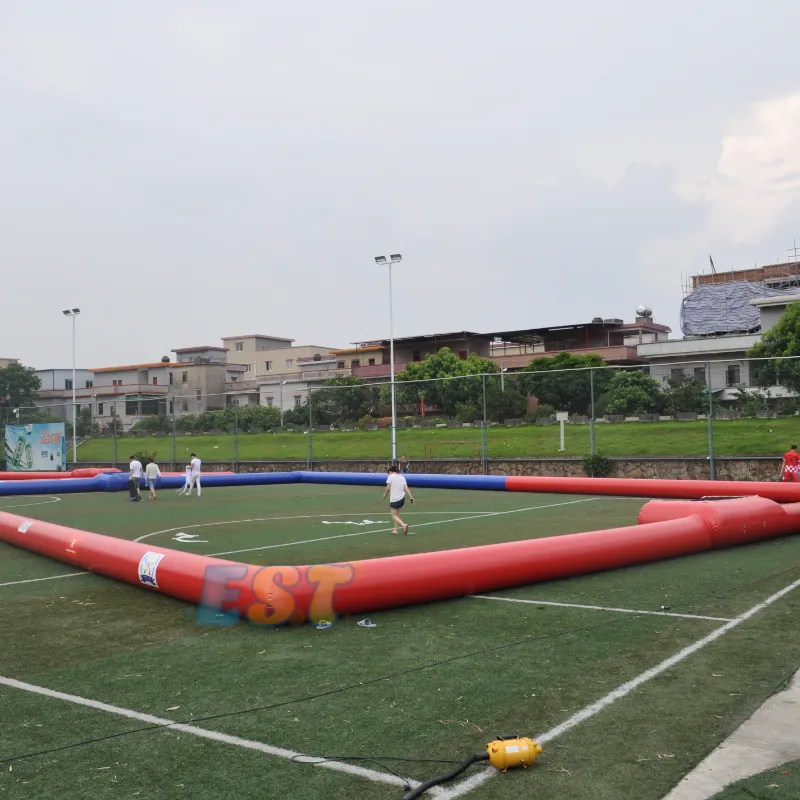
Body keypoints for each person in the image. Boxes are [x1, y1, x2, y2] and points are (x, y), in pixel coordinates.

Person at [382, 464, 414, 535]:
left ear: (390, 471)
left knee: (394, 515)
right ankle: (395, 530)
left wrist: (385, 495)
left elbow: (388, 488)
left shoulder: (390, 477)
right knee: (397, 515)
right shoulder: (402, 477)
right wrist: (411, 497)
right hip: (402, 498)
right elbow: (406, 487)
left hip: (395, 499)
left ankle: (403, 525)